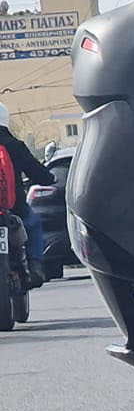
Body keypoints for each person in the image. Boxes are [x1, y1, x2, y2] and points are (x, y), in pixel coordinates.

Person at [0, 102, 51, 288]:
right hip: (15, 208)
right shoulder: (14, 145)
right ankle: (35, 267)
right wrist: (50, 178)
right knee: (34, 225)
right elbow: (36, 171)